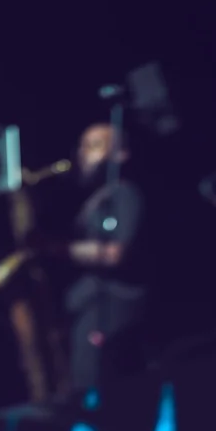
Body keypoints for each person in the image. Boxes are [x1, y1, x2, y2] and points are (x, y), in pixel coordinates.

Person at [64, 119, 146, 393]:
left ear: (120, 154)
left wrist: (57, 249)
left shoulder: (122, 194)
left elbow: (115, 254)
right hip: (89, 305)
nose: (84, 154)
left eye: (95, 146)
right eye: (83, 147)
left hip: (110, 308)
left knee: (91, 390)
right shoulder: (95, 199)